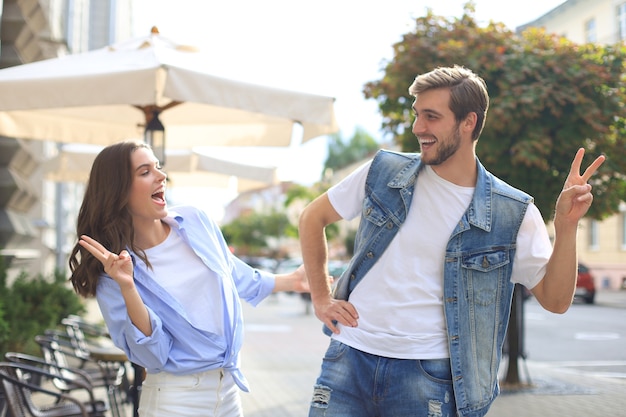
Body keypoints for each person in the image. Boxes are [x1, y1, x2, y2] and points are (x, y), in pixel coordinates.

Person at [298, 65, 605, 417]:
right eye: (417, 115)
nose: (417, 128)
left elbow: (555, 300)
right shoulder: (382, 172)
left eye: (431, 117)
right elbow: (312, 217)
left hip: (428, 378)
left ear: (468, 122)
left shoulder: (510, 212)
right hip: (348, 359)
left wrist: (566, 226)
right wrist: (321, 297)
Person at [68, 140, 308, 417]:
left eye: (158, 167)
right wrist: (129, 287)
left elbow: (231, 272)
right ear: (118, 191)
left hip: (228, 393)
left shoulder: (195, 221)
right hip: (175, 400)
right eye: (145, 172)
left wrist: (292, 281)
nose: (161, 176)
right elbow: (152, 356)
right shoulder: (111, 272)